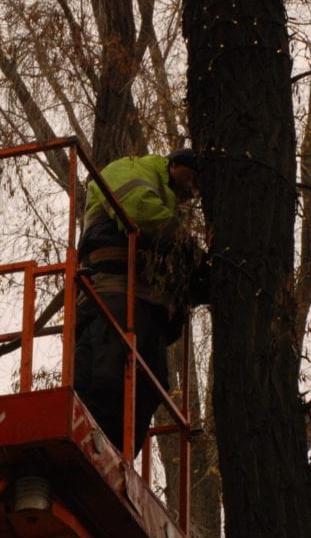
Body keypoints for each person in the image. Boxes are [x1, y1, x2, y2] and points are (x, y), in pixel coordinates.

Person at [73, 149, 209, 456]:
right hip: (111, 293)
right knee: (107, 371)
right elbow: (140, 210)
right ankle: (90, 447)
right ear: (176, 166)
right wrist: (189, 250)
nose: (194, 191)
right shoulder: (131, 169)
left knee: (150, 383)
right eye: (194, 179)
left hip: (144, 304)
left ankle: (117, 455)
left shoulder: (169, 202)